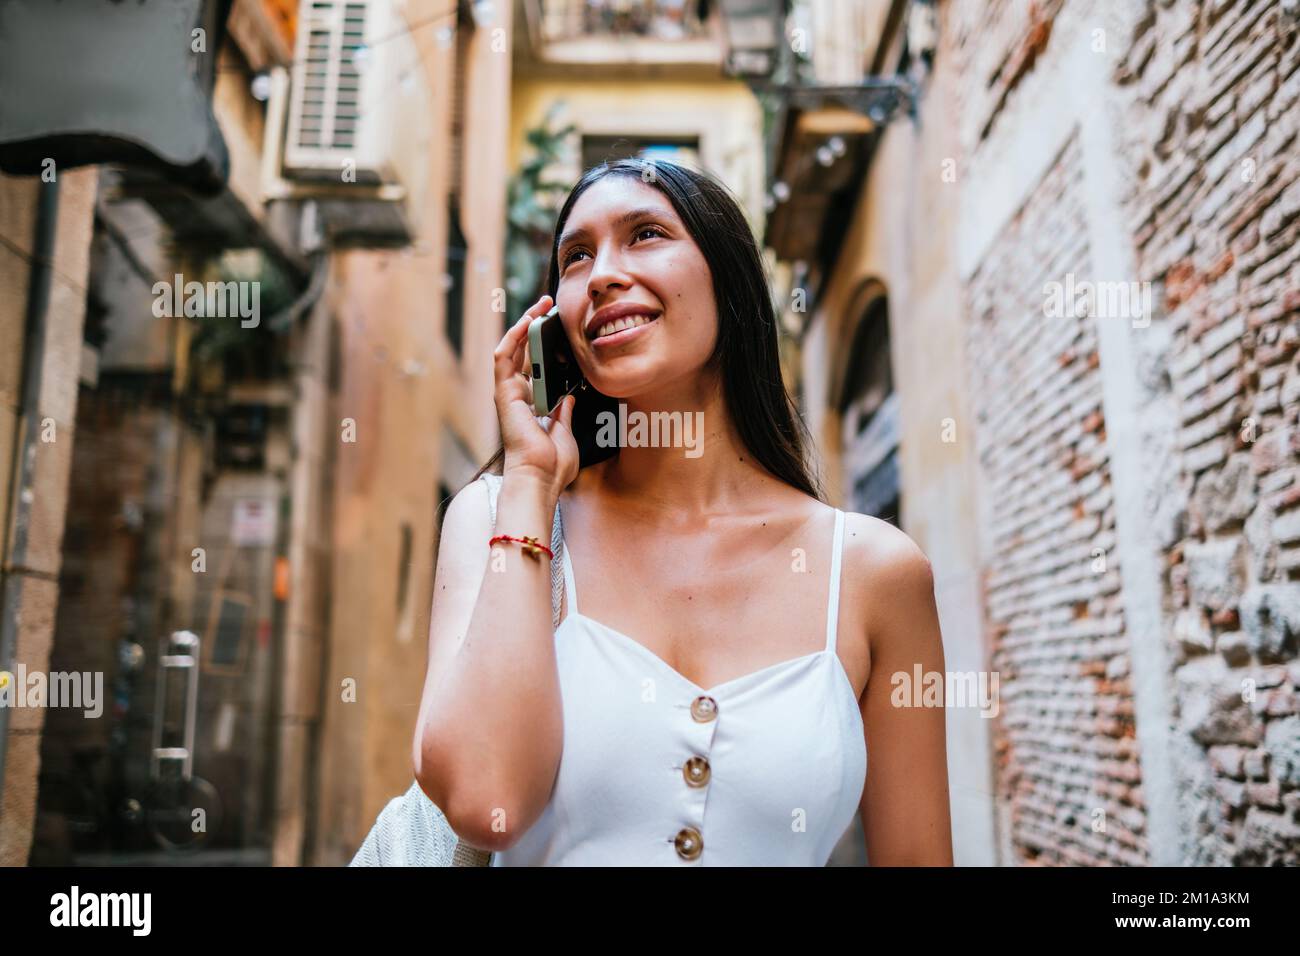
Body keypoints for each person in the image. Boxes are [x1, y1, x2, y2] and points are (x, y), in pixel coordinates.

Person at [412, 157, 952, 865]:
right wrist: (529, 484)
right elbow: (488, 806)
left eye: (644, 234)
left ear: (728, 282)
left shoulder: (878, 574)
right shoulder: (497, 516)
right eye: (576, 256)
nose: (602, 272)